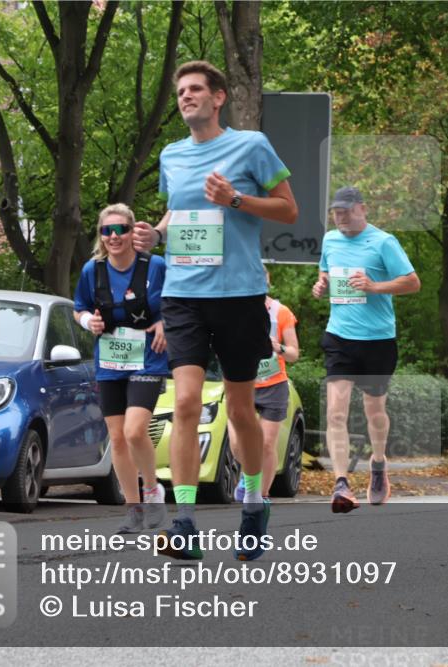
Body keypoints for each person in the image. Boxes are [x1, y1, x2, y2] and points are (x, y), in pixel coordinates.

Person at [132, 60, 298, 561]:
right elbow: (178, 209)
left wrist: (236, 199)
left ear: (218, 97)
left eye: (195, 89)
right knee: (185, 403)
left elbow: (288, 209)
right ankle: (184, 523)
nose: (185, 96)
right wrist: (156, 234)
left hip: (238, 295)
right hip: (183, 294)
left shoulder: (251, 146)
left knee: (241, 409)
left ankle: (254, 503)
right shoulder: (172, 154)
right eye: (181, 91)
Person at [311, 186, 420, 513]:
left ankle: (378, 462)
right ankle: (341, 483)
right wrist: (322, 283)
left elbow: (412, 282)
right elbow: (326, 270)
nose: (340, 217)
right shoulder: (330, 240)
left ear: (362, 208)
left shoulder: (384, 242)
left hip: (377, 340)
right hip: (339, 337)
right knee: (336, 412)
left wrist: (374, 286)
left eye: (346, 211)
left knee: (375, 412)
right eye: (336, 212)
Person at [74, 203, 169, 534]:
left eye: (121, 230)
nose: (114, 237)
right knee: (117, 437)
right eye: (107, 231)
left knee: (134, 431)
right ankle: (134, 509)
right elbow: (79, 308)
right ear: (101, 235)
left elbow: (178, 301)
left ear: (133, 232)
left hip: (148, 358)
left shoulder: (155, 266)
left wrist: (165, 323)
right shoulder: (93, 270)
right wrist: (89, 321)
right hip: (110, 360)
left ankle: (153, 491)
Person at [229, 269, 300, 501]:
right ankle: (250, 474)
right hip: (242, 384)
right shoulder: (232, 310)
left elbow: (294, 354)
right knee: (237, 444)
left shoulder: (281, 312)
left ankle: (261, 496)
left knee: (267, 444)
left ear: (267, 284)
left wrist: (278, 347)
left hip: (274, 385)